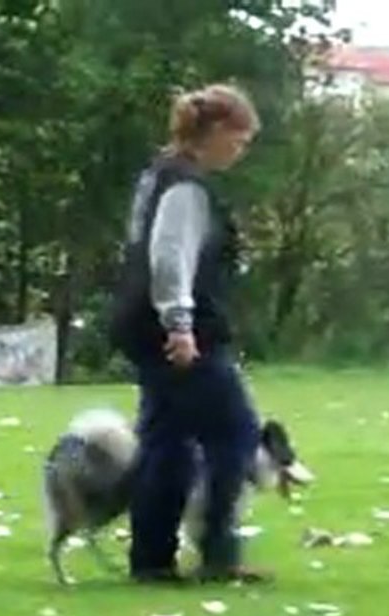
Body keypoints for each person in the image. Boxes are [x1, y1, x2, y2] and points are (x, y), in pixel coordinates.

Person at [109, 84, 267, 585]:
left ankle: (152, 559)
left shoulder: (157, 174)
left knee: (167, 441)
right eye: (239, 141)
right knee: (236, 432)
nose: (240, 152)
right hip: (182, 331)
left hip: (139, 323)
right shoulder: (186, 186)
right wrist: (179, 325)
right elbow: (169, 256)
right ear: (217, 132)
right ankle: (219, 550)